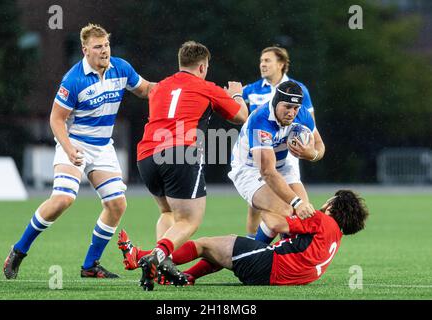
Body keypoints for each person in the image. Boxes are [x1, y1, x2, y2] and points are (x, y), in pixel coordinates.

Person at [3, 23, 155, 279]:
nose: (104, 51)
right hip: (74, 142)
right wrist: (69, 148)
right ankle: (19, 250)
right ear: (85, 50)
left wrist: (178, 89)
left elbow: (147, 90)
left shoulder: (121, 68)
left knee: (117, 204)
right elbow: (56, 119)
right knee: (63, 199)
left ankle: (90, 265)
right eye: (98, 47)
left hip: (103, 146)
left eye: (106, 45)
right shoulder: (73, 79)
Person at [134, 40, 248, 290]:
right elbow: (242, 117)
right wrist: (236, 94)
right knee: (189, 221)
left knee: (168, 213)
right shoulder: (206, 87)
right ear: (203, 66)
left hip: (146, 154)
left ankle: (162, 267)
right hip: (180, 152)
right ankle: (157, 256)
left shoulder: (161, 86)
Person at [119, 189, 369, 286]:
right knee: (223, 251)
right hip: (283, 276)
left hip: (271, 267)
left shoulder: (322, 219)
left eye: (331, 200)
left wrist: (259, 195)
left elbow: (273, 222)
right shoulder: (335, 236)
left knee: (205, 244)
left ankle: (140, 257)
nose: (325, 202)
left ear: (335, 207)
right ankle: (185, 277)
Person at [228, 81, 325, 246]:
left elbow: (320, 146)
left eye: (295, 108)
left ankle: (280, 254)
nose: (291, 113)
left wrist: (312, 154)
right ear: (275, 102)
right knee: (287, 210)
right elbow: (267, 172)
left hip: (282, 165)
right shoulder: (261, 119)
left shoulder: (302, 114)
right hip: (250, 169)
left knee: (304, 215)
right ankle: (252, 252)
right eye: (287, 107)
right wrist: (297, 203)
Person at [242, 46, 324, 237]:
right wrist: (235, 96)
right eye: (261, 60)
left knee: (290, 210)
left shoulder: (299, 89)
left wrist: (310, 151)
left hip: (287, 155)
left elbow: (309, 126)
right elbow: (231, 105)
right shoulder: (253, 88)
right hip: (259, 151)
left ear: (281, 64)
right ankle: (252, 246)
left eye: (267, 60)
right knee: (259, 209)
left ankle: (280, 250)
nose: (262, 64)